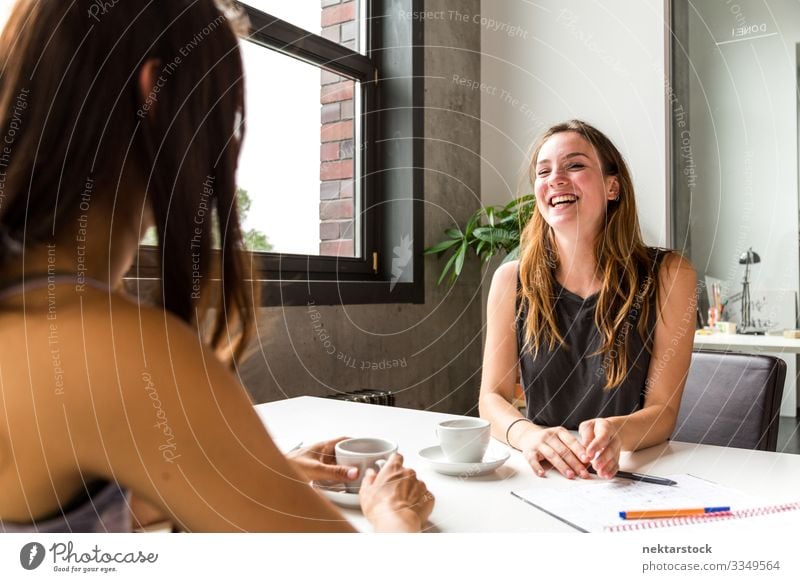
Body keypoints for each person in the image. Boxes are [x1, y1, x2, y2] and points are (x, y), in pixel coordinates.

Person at [0, 0, 432, 532]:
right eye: (221, 113)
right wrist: (394, 517)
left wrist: (250, 474)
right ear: (156, 99)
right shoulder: (115, 352)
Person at [479, 120, 696, 481]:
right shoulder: (510, 281)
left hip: (630, 472)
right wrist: (529, 435)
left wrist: (617, 434)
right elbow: (492, 398)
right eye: (543, 171)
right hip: (542, 473)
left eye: (575, 165)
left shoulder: (670, 274)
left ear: (613, 187)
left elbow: (663, 410)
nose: (556, 178)